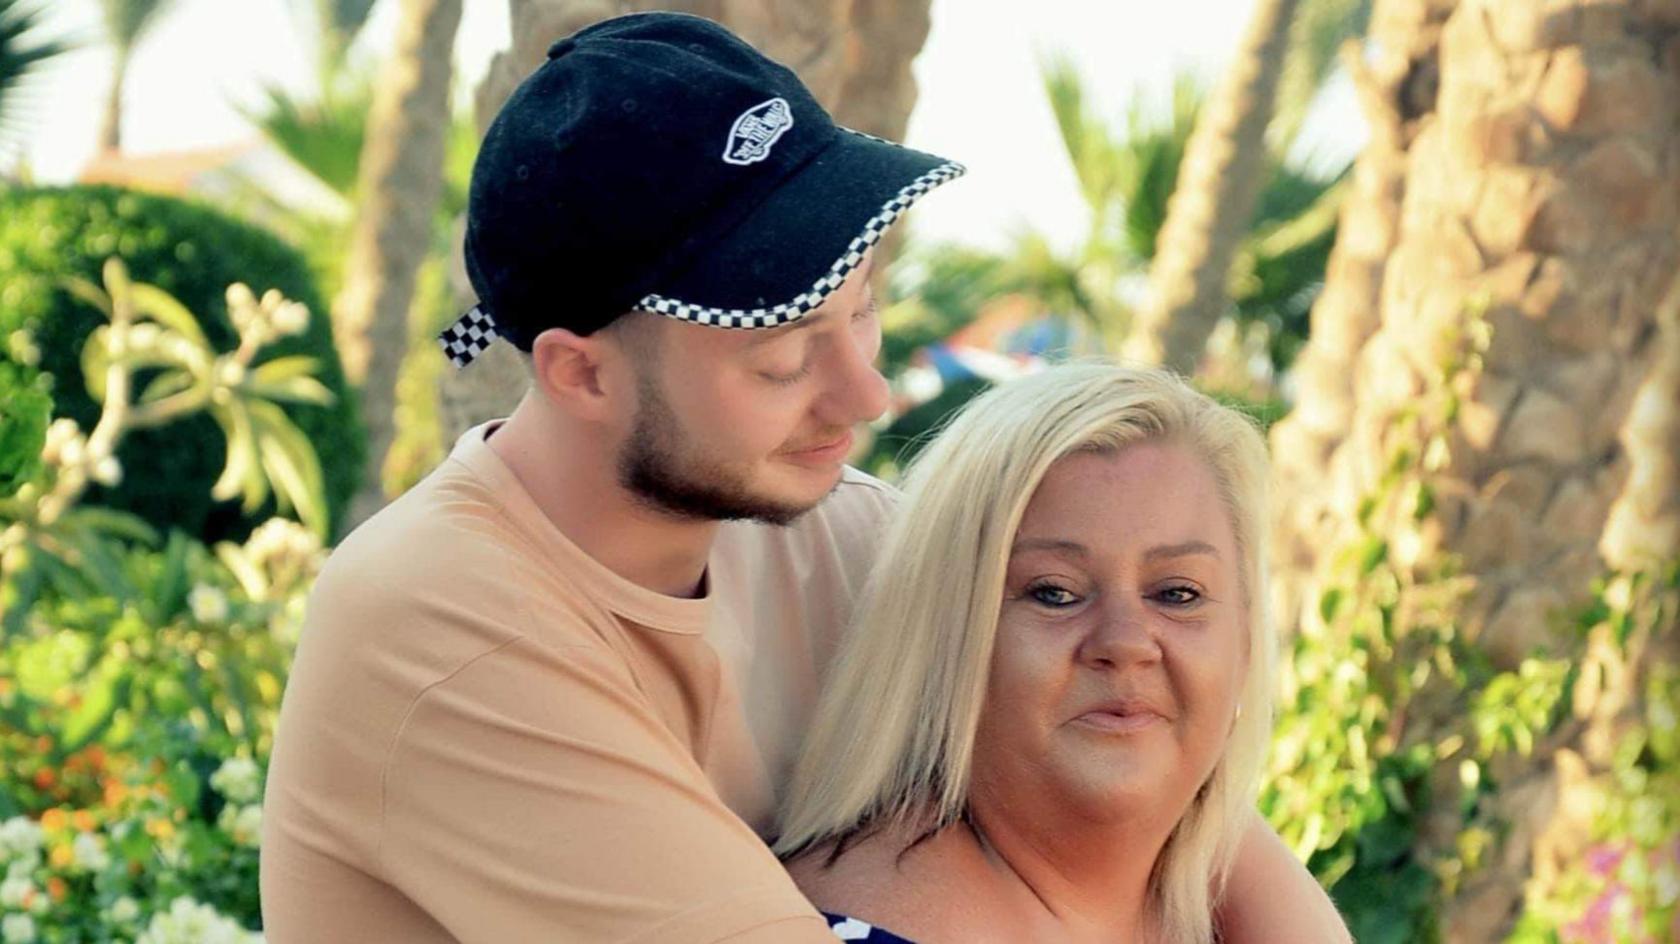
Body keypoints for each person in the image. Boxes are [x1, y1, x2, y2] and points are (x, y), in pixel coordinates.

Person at [259, 11, 1349, 943]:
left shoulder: (832, 531)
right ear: (580, 373)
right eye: (779, 356)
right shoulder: (442, 628)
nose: (863, 395)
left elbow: (1188, 808)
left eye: (861, 309)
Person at [777, 365, 1324, 944]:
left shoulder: (1218, 904)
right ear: (944, 633)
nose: (1126, 643)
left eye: (1177, 594)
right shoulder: (853, 930)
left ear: (1244, 638)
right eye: (1055, 592)